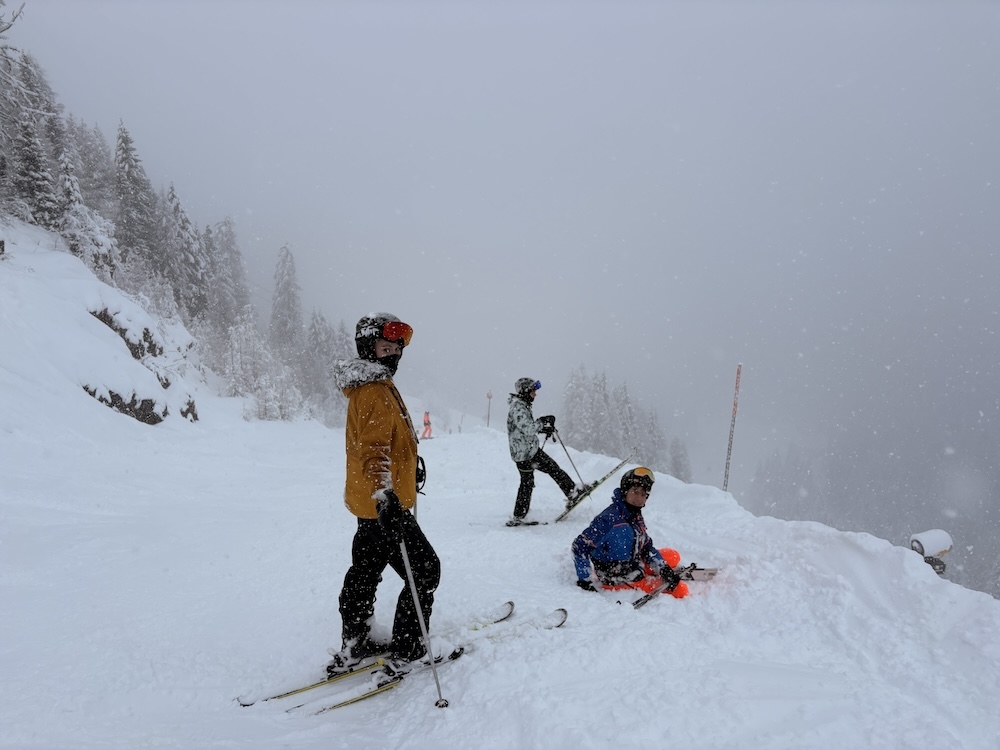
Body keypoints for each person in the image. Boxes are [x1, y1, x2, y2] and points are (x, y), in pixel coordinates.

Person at [327, 313, 441, 673]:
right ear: (368, 348)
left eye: (396, 349)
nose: (393, 355)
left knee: (365, 570)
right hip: (383, 503)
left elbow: (387, 439)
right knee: (425, 571)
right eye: (385, 348)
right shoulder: (374, 390)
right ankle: (409, 648)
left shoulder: (375, 384)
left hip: (369, 502)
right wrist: (385, 493)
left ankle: (356, 640)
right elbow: (374, 451)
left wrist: (408, 463)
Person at [571, 467, 689, 599]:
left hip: (632, 562)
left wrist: (662, 568)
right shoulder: (608, 520)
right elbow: (579, 546)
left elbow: (646, 546)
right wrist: (585, 580)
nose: (639, 498)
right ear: (625, 491)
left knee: (673, 556)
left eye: (643, 494)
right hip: (617, 577)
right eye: (635, 492)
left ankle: (655, 570)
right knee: (681, 590)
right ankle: (645, 579)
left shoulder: (634, 515)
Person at [506, 377, 587, 526]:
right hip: (525, 454)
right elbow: (528, 428)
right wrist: (542, 423)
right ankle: (572, 492)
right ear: (525, 391)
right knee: (537, 477)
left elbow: (525, 428)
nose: (535, 394)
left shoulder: (522, 405)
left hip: (528, 450)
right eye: (533, 391)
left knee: (539, 476)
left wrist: (543, 427)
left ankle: (520, 515)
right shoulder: (518, 407)